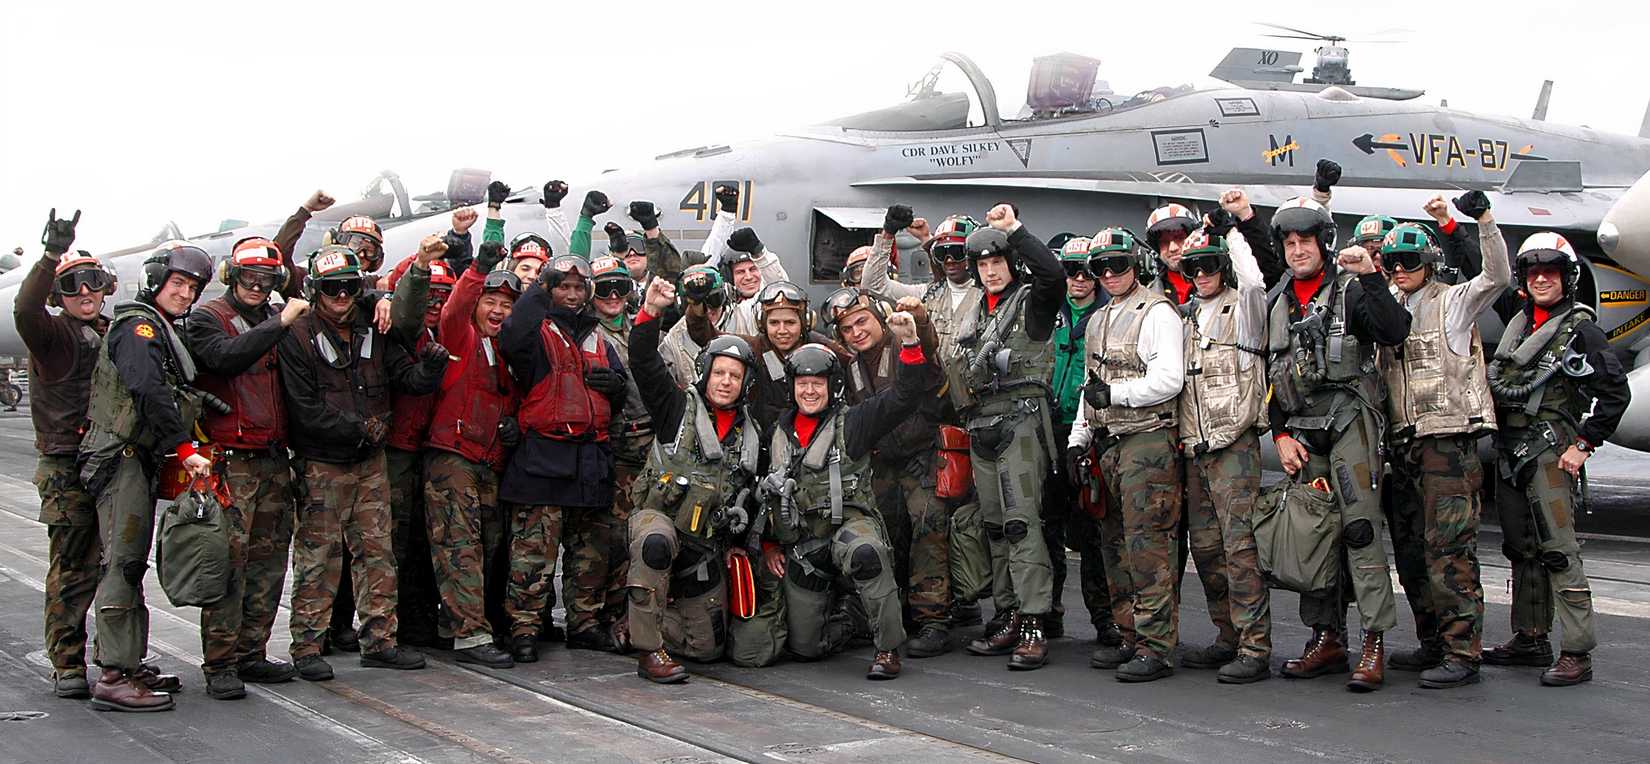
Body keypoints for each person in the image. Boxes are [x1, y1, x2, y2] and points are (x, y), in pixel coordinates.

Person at [277, 243, 448, 682]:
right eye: (331, 288)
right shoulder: (296, 336)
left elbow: (404, 378)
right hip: (321, 464)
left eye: (349, 287)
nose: (341, 295)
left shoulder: (375, 328)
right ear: (316, 289)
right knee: (319, 557)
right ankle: (307, 646)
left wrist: (429, 369)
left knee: (378, 553)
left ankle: (380, 641)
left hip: (370, 462)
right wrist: (359, 429)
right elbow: (303, 408)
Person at [1266, 195, 1412, 692]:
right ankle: (1326, 637)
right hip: (1304, 428)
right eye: (1288, 241)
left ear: (1323, 243)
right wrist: (1280, 433)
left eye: (1304, 240)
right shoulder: (1278, 299)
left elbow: (1394, 331)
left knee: (1359, 530)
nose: (1296, 249)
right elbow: (1272, 372)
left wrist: (1372, 275)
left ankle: (1373, 642)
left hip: (1351, 418)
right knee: (1312, 535)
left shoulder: (1351, 291)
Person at [1483, 230, 1629, 686]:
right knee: (1520, 548)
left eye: (1550, 271)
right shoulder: (1519, 322)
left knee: (1559, 551)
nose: (1541, 279)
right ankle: (1530, 637)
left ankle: (1577, 652)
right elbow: (1487, 272)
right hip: (1509, 450)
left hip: (1550, 449)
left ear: (1566, 277)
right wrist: (1463, 225)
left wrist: (1584, 443)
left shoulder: (1580, 330)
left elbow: (1614, 392)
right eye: (1533, 271)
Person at [1375, 193, 1509, 689]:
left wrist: (1483, 221)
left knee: (1448, 550)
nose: (1400, 269)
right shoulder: (1387, 310)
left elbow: (1496, 277)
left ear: (1428, 264)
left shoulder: (1451, 302)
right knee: (1411, 553)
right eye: (1391, 262)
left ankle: (1462, 651)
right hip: (1402, 448)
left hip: (1446, 445)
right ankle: (1432, 640)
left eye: (1409, 261)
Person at [77, 239, 216, 711]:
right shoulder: (138, 327)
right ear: (157, 280)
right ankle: (114, 675)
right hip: (120, 458)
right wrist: (183, 447)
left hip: (130, 457)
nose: (185, 294)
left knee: (129, 562)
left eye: (193, 288)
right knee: (123, 563)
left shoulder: (156, 327)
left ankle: (127, 662)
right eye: (178, 283)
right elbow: (146, 387)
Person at [763, 326, 939, 680]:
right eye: (802, 383)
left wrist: (909, 344)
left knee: (866, 553)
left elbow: (904, 396)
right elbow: (762, 492)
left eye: (818, 383)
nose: (810, 390)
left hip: (848, 526)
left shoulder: (855, 422)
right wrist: (769, 543)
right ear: (792, 386)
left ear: (833, 386)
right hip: (803, 543)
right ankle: (851, 617)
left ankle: (887, 648)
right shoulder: (774, 431)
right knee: (806, 649)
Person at [183, 236, 311, 699]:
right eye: (249, 277)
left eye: (267, 279)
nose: (257, 286)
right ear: (232, 277)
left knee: (270, 562)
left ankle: (251, 653)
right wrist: (280, 322)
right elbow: (224, 358)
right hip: (230, 463)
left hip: (274, 460)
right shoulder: (207, 318)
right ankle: (220, 662)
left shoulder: (273, 323)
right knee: (228, 564)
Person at [624, 277, 765, 681]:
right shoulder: (675, 409)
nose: (725, 381)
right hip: (659, 523)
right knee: (655, 542)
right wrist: (650, 312)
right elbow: (644, 363)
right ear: (705, 374)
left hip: (703, 547)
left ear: (744, 384)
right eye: (719, 372)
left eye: (734, 376)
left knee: (705, 649)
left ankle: (638, 615)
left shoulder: (752, 439)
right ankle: (648, 650)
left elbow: (750, 500)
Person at [1066, 227, 1187, 683]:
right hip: (1107, 443)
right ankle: (1130, 635)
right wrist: (1079, 439)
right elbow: (1088, 387)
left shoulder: (1157, 312)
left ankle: (1156, 646)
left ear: (1136, 265)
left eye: (1119, 265)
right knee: (1113, 545)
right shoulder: (1098, 319)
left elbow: (1169, 380)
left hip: (1146, 441)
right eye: (1102, 267)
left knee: (1148, 547)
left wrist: (1115, 394)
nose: (1111, 274)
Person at [499, 255, 630, 652]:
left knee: (588, 554)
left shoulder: (598, 337)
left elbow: (620, 393)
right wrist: (539, 287)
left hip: (590, 459)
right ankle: (524, 628)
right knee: (532, 556)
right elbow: (510, 337)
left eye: (578, 288)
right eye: (563, 287)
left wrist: (616, 386)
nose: (572, 295)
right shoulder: (535, 332)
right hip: (543, 457)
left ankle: (584, 623)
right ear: (550, 289)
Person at [867, 214, 990, 630]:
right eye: (945, 253)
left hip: (977, 413)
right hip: (933, 418)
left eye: (961, 252)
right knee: (934, 515)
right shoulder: (929, 294)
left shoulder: (989, 296)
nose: (953, 260)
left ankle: (967, 596)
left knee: (970, 516)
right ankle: (944, 602)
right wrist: (890, 238)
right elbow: (875, 286)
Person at [820, 280, 954, 657]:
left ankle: (933, 620)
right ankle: (897, 614)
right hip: (883, 464)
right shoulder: (852, 366)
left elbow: (927, 353)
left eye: (862, 322)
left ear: (879, 318)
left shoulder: (901, 345)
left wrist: (918, 324)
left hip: (923, 456)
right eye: (847, 329)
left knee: (928, 531)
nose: (856, 332)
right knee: (887, 535)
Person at [956, 203, 1063, 670]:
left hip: (1021, 420)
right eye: (982, 264)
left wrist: (1015, 230)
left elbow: (1054, 277)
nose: (990, 271)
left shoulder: (1031, 305)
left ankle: (1035, 619)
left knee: (1022, 523)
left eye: (997, 261)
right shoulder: (973, 313)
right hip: (981, 425)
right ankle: (1009, 612)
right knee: (996, 528)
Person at [16, 210, 114, 700]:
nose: (85, 293)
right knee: (74, 567)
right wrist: (51, 256)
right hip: (68, 466)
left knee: (117, 565)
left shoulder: (112, 334)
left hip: (112, 463)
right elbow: (24, 311)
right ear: (60, 295)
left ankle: (115, 660)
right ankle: (68, 661)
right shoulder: (52, 337)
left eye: (93, 282)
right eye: (73, 286)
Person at [1170, 224, 1274, 683]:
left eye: (1209, 265)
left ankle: (1255, 646)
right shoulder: (1184, 316)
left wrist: (1230, 231)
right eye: (1193, 267)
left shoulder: (1244, 308)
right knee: (1207, 551)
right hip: (1196, 448)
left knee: (1241, 550)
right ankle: (1228, 635)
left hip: (1235, 445)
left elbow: (1254, 281)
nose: (1201, 273)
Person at [421, 241, 522, 667]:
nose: (498, 311)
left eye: (506, 305)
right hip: (453, 457)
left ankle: (457, 624)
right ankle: (469, 635)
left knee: (487, 545)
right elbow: (455, 307)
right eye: (491, 302)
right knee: (459, 545)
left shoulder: (508, 354)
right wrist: (479, 267)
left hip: (488, 462)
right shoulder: (459, 335)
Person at [1050, 235, 1121, 649]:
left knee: (1094, 530)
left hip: (1090, 432)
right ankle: (1049, 612)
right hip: (1047, 430)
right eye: (1070, 271)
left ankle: (1104, 618)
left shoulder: (1108, 313)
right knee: (1047, 527)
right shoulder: (1045, 308)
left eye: (1086, 271)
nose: (1078, 279)